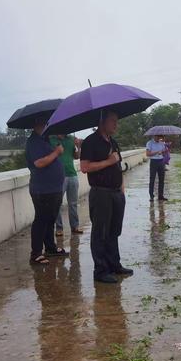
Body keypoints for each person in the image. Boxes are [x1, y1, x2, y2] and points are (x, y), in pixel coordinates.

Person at [80, 110, 133, 284]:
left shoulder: (113, 142)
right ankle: (101, 270)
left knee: (113, 232)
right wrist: (107, 162)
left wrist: (121, 188)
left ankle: (114, 264)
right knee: (100, 233)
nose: (116, 124)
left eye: (116, 121)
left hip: (116, 193)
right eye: (113, 121)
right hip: (101, 193)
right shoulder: (90, 142)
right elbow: (85, 167)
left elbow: (117, 166)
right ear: (102, 122)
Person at [26, 118, 69, 265]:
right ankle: (36, 253)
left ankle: (50, 248)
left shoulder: (46, 139)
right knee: (41, 220)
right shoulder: (33, 141)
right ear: (37, 124)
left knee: (50, 219)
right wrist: (56, 152)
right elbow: (39, 163)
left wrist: (56, 150)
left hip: (54, 188)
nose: (46, 126)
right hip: (42, 189)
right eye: (44, 123)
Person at [49, 134, 83, 236]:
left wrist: (78, 146)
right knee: (56, 204)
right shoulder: (51, 140)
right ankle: (59, 228)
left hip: (72, 174)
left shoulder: (72, 139)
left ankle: (75, 226)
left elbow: (77, 156)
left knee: (73, 203)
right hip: (58, 176)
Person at [146, 135, 168, 202]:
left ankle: (160, 196)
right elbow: (147, 154)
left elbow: (163, 154)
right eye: (157, 136)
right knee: (152, 179)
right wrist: (157, 152)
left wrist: (164, 152)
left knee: (161, 179)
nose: (159, 138)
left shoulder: (162, 143)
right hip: (153, 162)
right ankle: (151, 196)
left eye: (159, 136)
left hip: (161, 161)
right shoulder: (149, 143)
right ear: (154, 136)